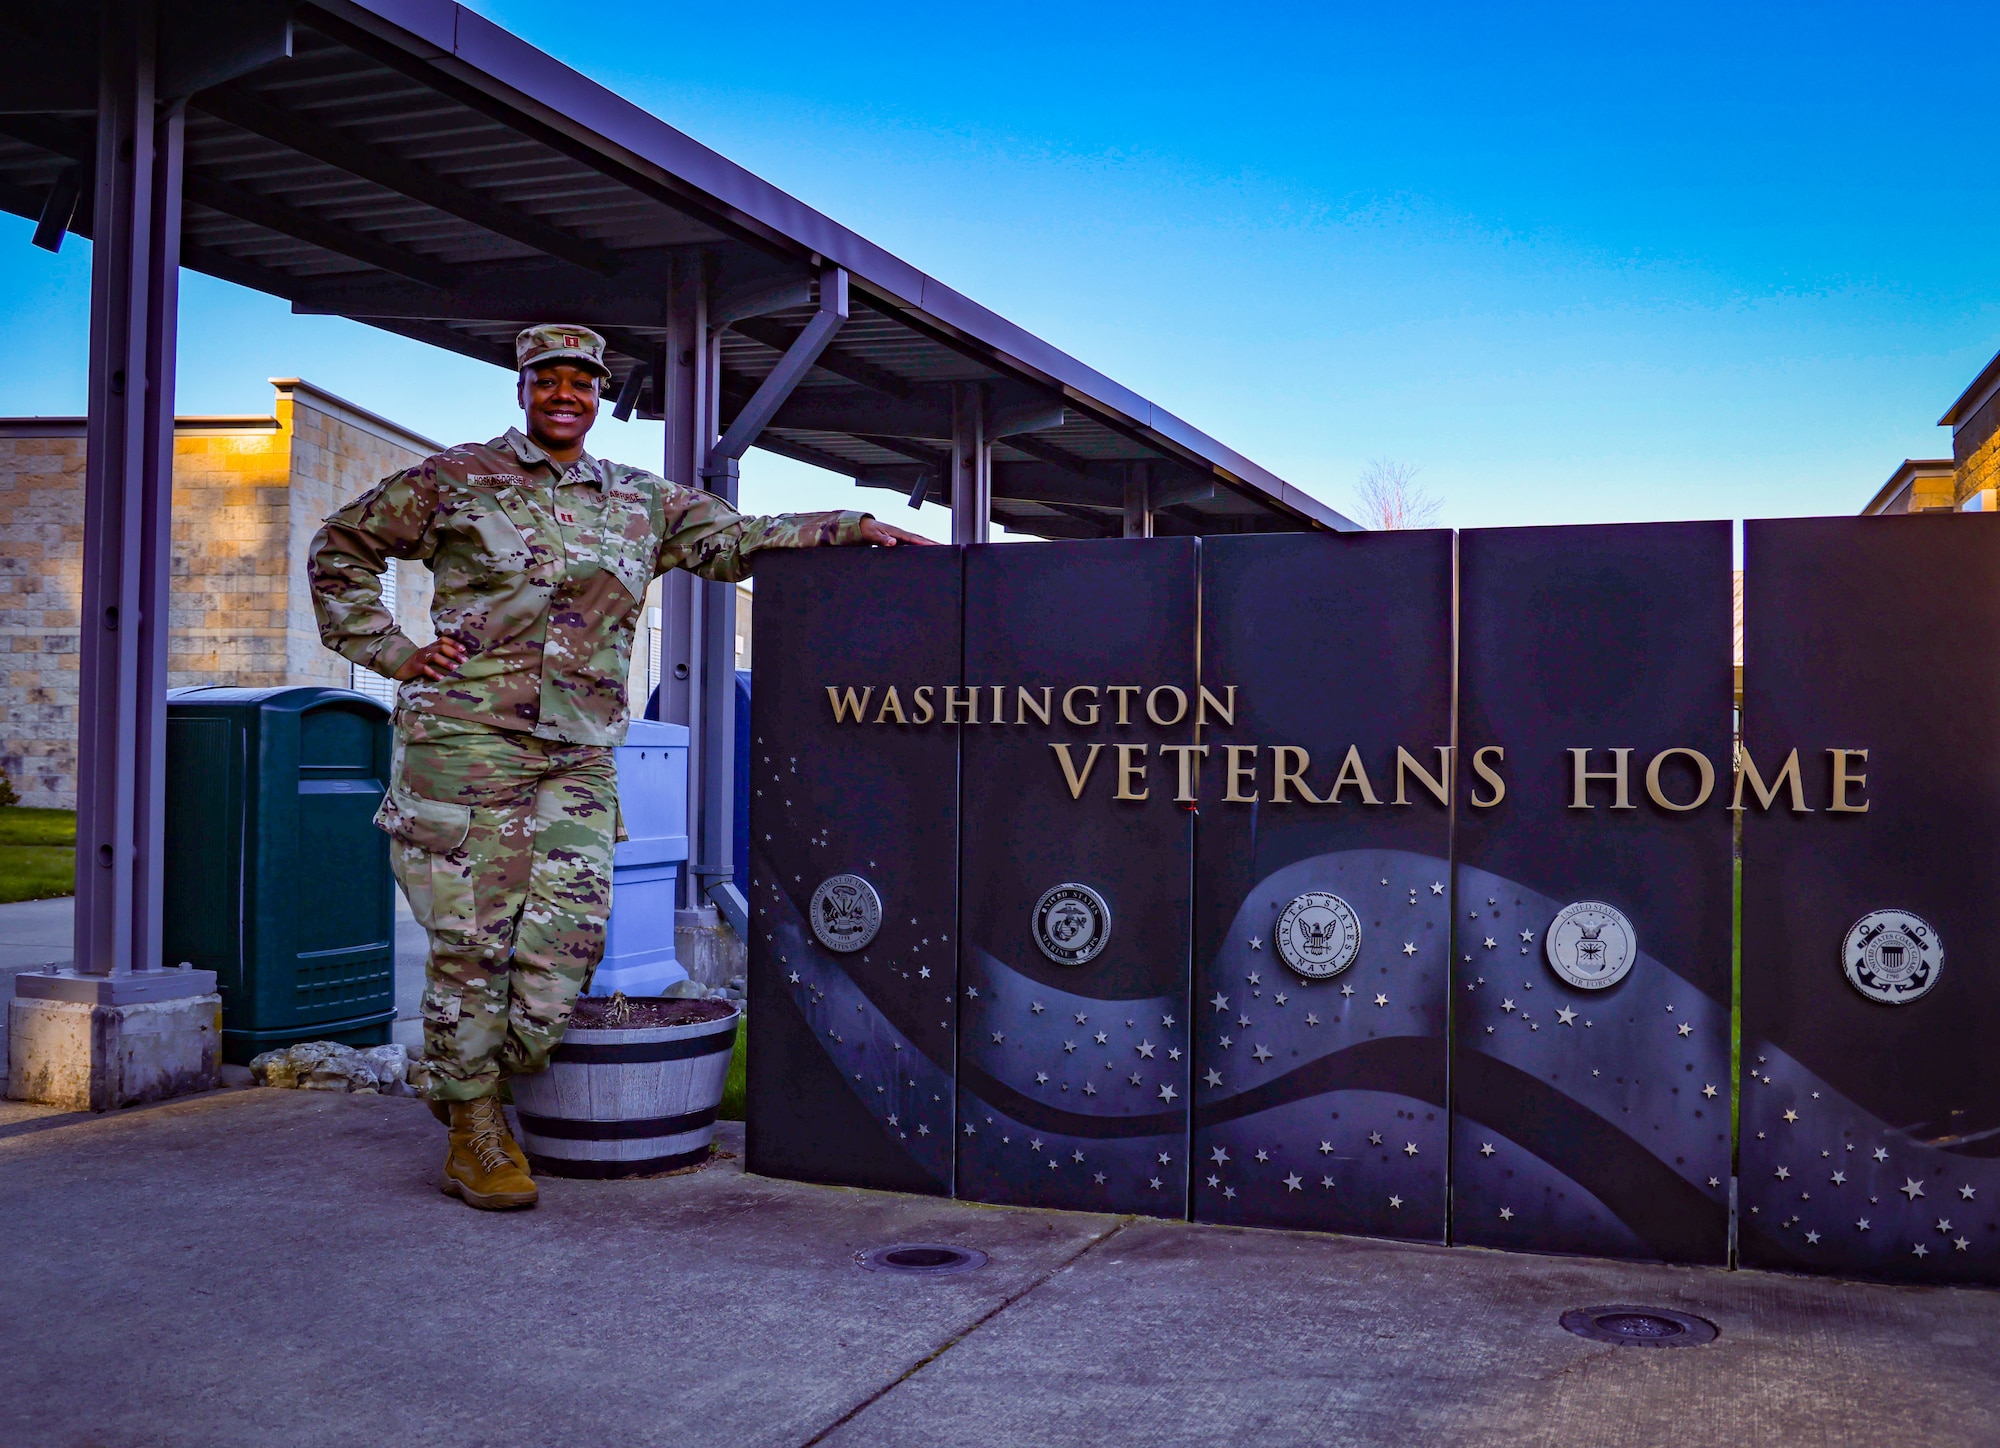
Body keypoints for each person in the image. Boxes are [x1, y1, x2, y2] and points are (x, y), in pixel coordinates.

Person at [308, 324, 930, 1210]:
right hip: (466, 745)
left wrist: (849, 526)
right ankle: (473, 1125)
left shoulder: (638, 501)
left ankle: (495, 1068)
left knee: (566, 938)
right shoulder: (455, 479)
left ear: (599, 397)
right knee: (472, 941)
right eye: (548, 379)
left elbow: (737, 540)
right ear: (523, 388)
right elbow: (341, 547)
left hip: (579, 752)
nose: (565, 394)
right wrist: (396, 651)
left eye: (582, 382)